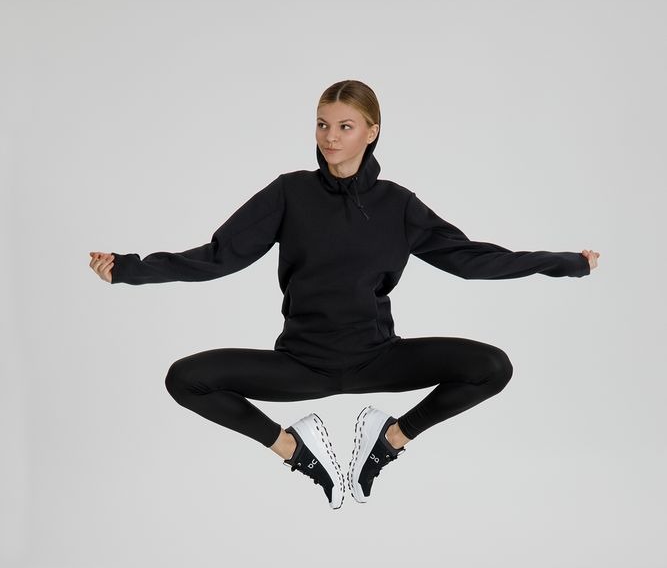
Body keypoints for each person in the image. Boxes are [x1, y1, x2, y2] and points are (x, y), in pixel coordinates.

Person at [89, 79, 599, 510]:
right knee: (185, 378)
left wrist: (566, 263)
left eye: (345, 126)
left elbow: (470, 259)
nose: (330, 137)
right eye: (322, 124)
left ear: (371, 132)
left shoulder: (398, 205)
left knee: (492, 366)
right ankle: (295, 450)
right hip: (301, 365)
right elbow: (220, 256)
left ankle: (389, 440)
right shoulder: (289, 193)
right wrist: (130, 270)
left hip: (379, 359)